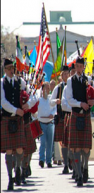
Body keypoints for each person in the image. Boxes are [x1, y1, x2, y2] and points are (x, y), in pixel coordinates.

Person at [1, 59, 36, 190]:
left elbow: (33, 95)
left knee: (20, 149)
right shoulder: (1, 83)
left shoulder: (20, 82)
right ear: (5, 70)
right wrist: (16, 110)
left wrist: (29, 104)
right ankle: (10, 179)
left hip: (18, 120)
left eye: (13, 68)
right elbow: (3, 101)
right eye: (9, 68)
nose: (11, 70)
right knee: (9, 150)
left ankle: (18, 169)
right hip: (7, 118)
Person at [66, 56, 94, 186]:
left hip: (86, 116)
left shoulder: (89, 80)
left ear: (84, 67)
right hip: (76, 115)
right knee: (77, 148)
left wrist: (93, 101)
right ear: (75, 67)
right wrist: (81, 104)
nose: (79, 69)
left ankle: (85, 167)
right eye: (77, 67)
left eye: (81, 66)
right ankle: (79, 174)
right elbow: (69, 99)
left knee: (86, 148)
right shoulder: (70, 81)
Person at [51, 66, 70, 171]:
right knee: (63, 143)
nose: (66, 76)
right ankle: (66, 164)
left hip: (71, 117)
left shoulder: (72, 86)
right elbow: (50, 101)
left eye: (67, 73)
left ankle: (70, 161)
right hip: (62, 118)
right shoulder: (58, 87)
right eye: (64, 74)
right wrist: (56, 101)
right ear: (61, 76)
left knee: (71, 142)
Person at [61, 63, 76, 177]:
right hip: (69, 116)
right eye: (72, 72)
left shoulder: (83, 84)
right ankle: (66, 164)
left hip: (79, 116)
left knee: (76, 144)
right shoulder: (66, 87)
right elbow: (63, 105)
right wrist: (75, 107)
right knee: (67, 143)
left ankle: (76, 165)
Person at [37, 82, 56, 169]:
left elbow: (54, 109)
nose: (47, 90)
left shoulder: (51, 99)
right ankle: (41, 159)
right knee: (43, 142)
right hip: (42, 123)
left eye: (48, 88)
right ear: (42, 89)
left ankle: (49, 161)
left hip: (50, 123)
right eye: (46, 88)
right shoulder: (39, 100)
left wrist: (52, 114)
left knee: (50, 143)